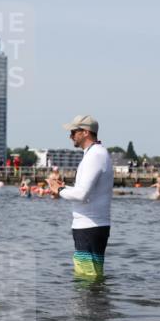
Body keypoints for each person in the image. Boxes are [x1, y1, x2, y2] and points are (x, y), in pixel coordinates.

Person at [48, 115, 113, 280]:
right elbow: (84, 191)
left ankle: (91, 306)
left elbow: (82, 194)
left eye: (73, 132)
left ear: (85, 132)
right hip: (91, 226)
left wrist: (60, 189)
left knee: (87, 280)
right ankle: (94, 306)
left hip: (89, 227)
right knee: (90, 279)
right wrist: (63, 187)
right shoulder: (95, 153)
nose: (70, 136)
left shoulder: (95, 156)